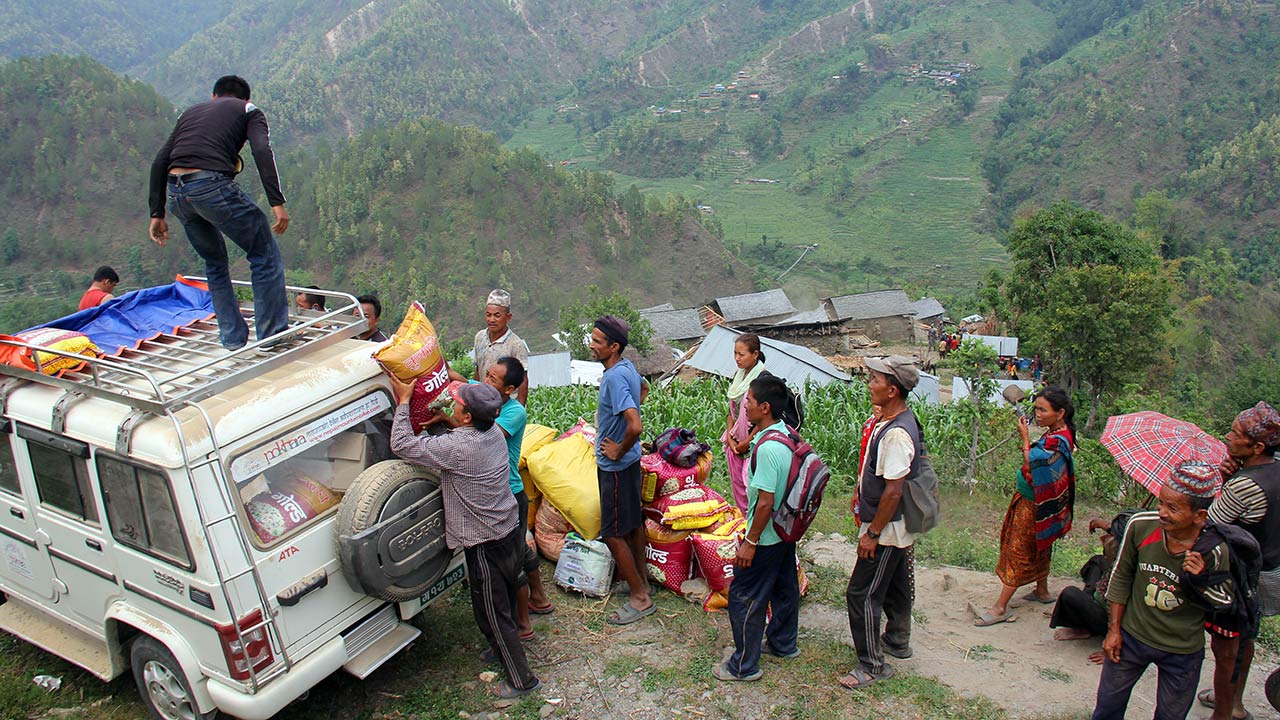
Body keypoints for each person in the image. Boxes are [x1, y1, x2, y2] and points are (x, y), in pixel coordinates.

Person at [385, 376, 541, 700]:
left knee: (493, 612)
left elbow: (401, 444)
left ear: (467, 416)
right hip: (508, 530)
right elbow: (463, 442)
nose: (454, 405)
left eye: (458, 405)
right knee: (494, 603)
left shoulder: (458, 446)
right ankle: (501, 649)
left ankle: (522, 681)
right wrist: (447, 425)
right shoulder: (494, 435)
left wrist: (403, 402)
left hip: (485, 544)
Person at [148, 75, 289, 351]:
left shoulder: (189, 113)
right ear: (245, 98)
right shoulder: (249, 110)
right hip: (211, 186)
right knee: (263, 254)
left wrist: (157, 212)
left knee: (214, 263)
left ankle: (233, 339)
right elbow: (262, 149)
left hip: (177, 194)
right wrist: (277, 202)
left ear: (214, 96)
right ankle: (272, 336)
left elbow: (160, 160)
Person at [1091, 462, 1232, 720]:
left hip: (1182, 651)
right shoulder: (1141, 525)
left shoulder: (1213, 549)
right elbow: (1121, 576)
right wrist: (1113, 631)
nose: (1162, 512)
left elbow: (1224, 602)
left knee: (1171, 716)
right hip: (1132, 638)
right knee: (1107, 709)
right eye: (1161, 502)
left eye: (1173, 508)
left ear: (1199, 516)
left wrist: (1201, 580)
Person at [438, 358, 555, 638]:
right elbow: (458, 378)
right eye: (487, 375)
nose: (485, 381)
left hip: (509, 492)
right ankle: (539, 599)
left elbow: (482, 436)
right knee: (519, 551)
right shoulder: (485, 392)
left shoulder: (514, 412)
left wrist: (446, 420)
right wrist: (435, 363)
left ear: (509, 389)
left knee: (510, 565)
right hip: (500, 491)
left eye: (492, 379)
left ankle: (523, 626)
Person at [841, 355, 920, 690]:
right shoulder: (892, 421)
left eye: (875, 379)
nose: (869, 384)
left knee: (861, 593)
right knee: (897, 584)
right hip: (895, 524)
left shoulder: (896, 434)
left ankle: (872, 664)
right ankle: (897, 639)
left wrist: (872, 533)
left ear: (891, 390)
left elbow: (892, 491)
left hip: (887, 527)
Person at [716, 374, 801, 682]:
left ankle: (744, 665)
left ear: (765, 407)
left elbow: (765, 502)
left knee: (744, 596)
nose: (744, 406)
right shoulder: (785, 434)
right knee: (784, 586)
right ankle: (783, 643)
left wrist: (749, 543)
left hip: (764, 536)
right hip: (784, 530)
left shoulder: (766, 449)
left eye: (748, 401)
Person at [1199, 401, 1280, 720]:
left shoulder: (1245, 485)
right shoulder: (1273, 471)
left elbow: (1209, 526)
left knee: (1226, 645)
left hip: (1240, 575)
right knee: (1246, 636)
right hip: (1269, 568)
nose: (1228, 437)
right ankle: (1234, 700)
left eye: (1235, 433)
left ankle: (1227, 708)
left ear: (1257, 445)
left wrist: (1224, 480)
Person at [974, 387, 1076, 626]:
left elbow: (1032, 465)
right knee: (1042, 544)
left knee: (1019, 548)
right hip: (1041, 502)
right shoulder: (1060, 433)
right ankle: (1042, 590)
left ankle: (1000, 608)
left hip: (1034, 503)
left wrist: (1025, 439)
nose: (1038, 414)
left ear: (1059, 413)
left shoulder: (1056, 441)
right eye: (1036, 409)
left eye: (1043, 410)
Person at [591, 315, 653, 625]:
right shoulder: (627, 368)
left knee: (613, 533)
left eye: (597, 342)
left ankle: (639, 598)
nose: (591, 345)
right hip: (629, 463)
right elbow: (643, 390)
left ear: (614, 347)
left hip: (615, 465)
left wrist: (617, 447)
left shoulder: (615, 376)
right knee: (632, 525)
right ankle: (641, 582)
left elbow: (635, 425)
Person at [1050, 513, 1136, 660]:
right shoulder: (1133, 546)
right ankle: (1085, 610)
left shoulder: (1128, 573)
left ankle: (1086, 627)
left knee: (1069, 594)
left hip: (1114, 619)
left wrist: (1112, 643)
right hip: (1102, 600)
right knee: (1097, 561)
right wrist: (1103, 524)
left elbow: (1123, 611)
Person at [723, 333, 767, 514]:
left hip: (752, 446)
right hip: (735, 444)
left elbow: (764, 418)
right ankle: (745, 528)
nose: (737, 359)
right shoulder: (738, 377)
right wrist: (732, 440)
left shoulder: (762, 380)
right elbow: (730, 411)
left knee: (752, 492)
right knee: (739, 492)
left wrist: (745, 443)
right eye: (735, 354)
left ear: (755, 354)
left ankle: (757, 534)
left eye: (741, 355)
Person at [473, 289, 530, 405]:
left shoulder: (516, 345)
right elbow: (479, 369)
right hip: (484, 401)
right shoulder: (480, 337)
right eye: (488, 315)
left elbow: (523, 380)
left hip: (504, 404)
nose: (491, 320)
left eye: (497, 315)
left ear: (508, 317)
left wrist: (519, 411)